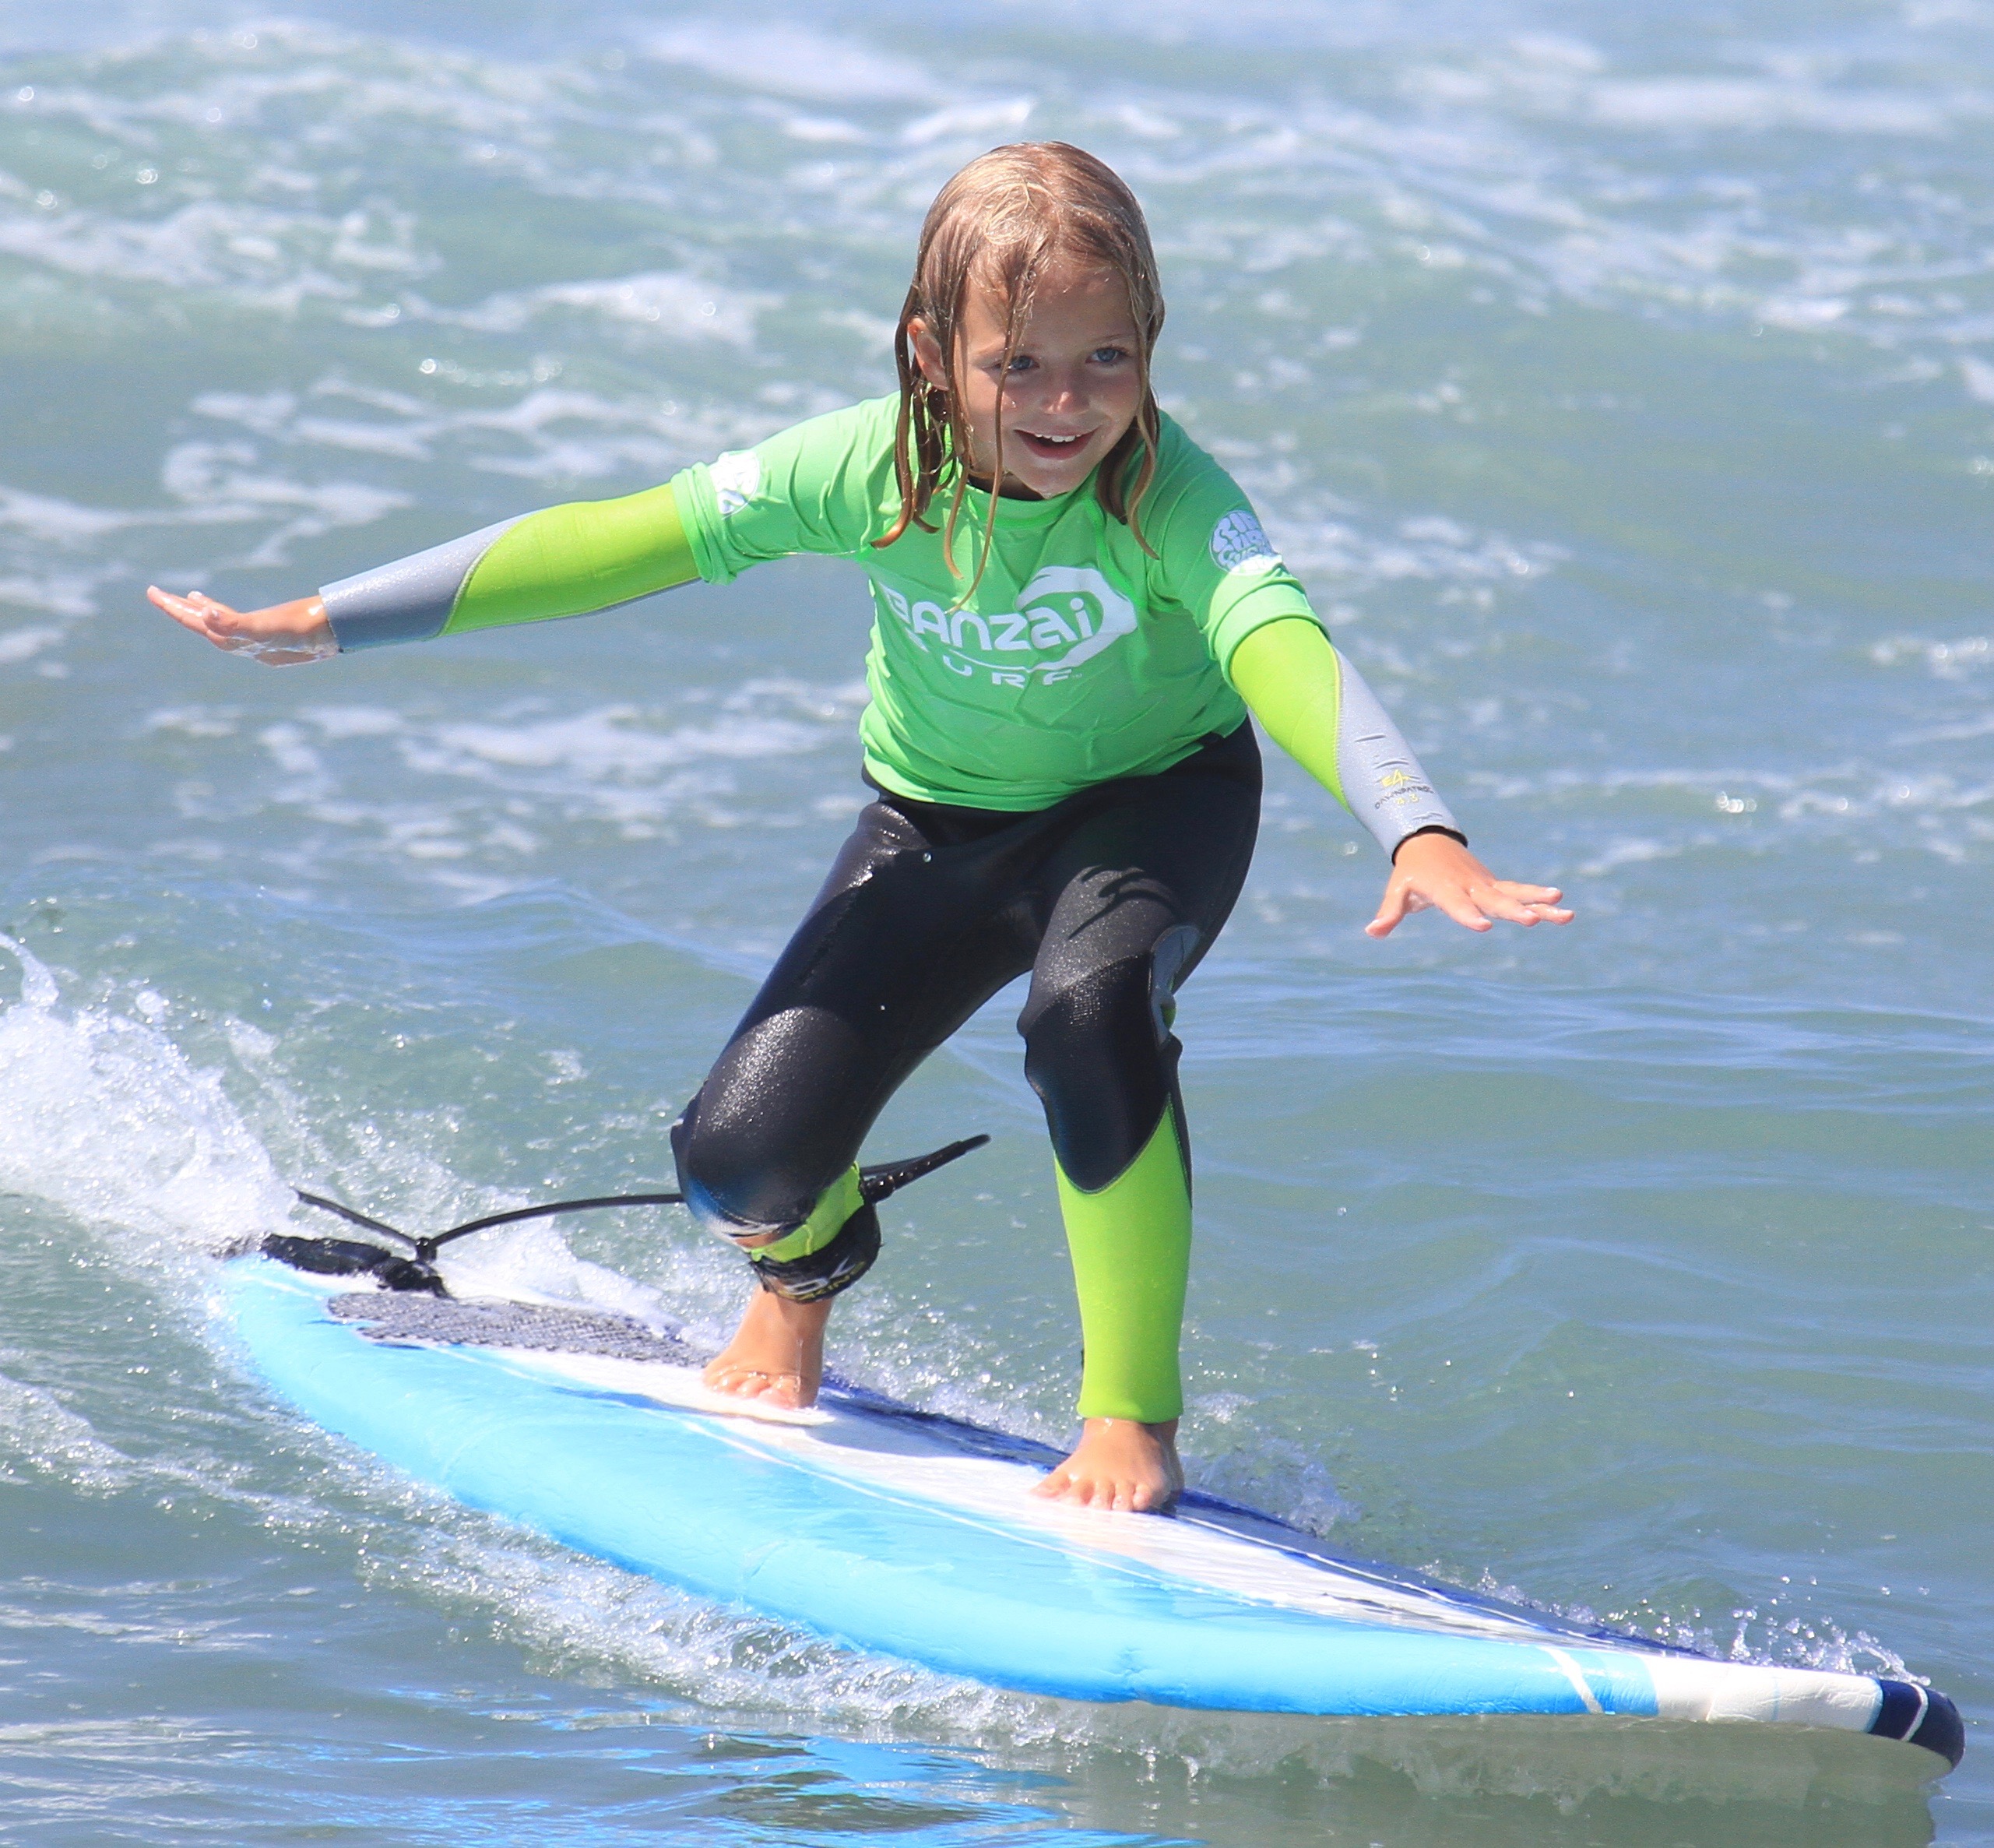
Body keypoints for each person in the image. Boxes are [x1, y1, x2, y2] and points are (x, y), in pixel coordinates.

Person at [150, 142, 1571, 1514]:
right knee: (737, 1164)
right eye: (1018, 363)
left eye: (1107, 361)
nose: (1066, 403)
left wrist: (1413, 825)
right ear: (929, 355)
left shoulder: (1170, 498)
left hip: (1155, 809)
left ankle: (1130, 1410)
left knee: (1089, 1015)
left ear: (1153, 349)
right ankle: (804, 1278)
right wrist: (334, 619)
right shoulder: (865, 473)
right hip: (936, 824)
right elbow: (619, 536)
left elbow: (1281, 642)